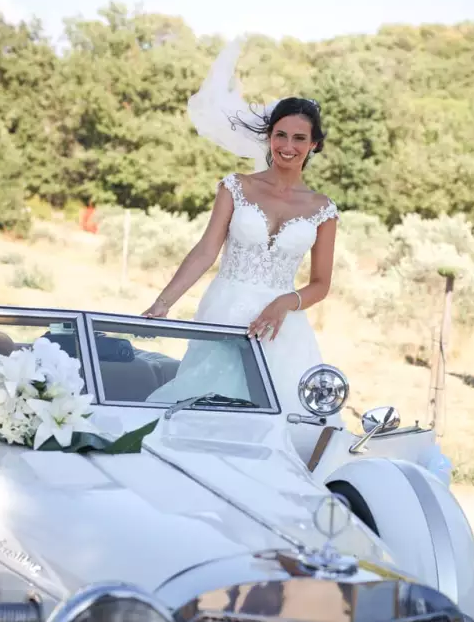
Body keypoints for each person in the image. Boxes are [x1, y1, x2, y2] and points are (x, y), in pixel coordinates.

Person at [142, 41, 338, 416]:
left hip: (281, 326)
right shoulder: (237, 186)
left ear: (313, 145)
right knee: (203, 407)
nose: (288, 146)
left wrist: (284, 302)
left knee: (283, 415)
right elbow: (205, 251)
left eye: (300, 138)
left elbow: (321, 284)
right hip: (224, 310)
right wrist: (163, 304)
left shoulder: (322, 209)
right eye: (281, 135)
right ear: (269, 137)